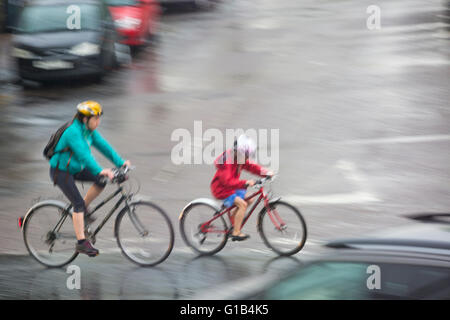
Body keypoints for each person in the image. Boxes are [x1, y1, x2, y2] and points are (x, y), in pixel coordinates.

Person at [49, 101, 131, 257]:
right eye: (96, 119)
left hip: (75, 168)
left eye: (99, 118)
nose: (98, 122)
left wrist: (121, 162)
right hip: (61, 171)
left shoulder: (89, 131)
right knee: (77, 202)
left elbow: (104, 146)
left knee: (100, 180)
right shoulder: (73, 132)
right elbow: (84, 156)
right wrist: (101, 170)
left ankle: (82, 211)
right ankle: (81, 243)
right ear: (85, 119)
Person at [210, 135, 273, 241]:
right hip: (222, 189)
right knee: (242, 204)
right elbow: (227, 182)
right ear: (239, 152)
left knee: (250, 199)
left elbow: (252, 167)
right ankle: (236, 232)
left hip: (232, 188)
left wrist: (265, 172)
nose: (247, 158)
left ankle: (233, 220)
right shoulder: (228, 162)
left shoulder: (239, 158)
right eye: (246, 155)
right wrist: (245, 183)